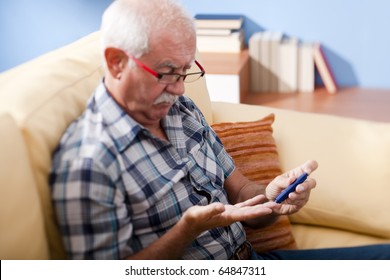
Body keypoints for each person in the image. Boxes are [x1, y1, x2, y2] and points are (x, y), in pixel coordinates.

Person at [50, 0, 390, 260]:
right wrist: (189, 229)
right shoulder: (87, 163)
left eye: (186, 70)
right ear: (116, 62)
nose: (181, 89)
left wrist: (272, 197)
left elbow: (241, 192)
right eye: (167, 72)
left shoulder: (179, 109)